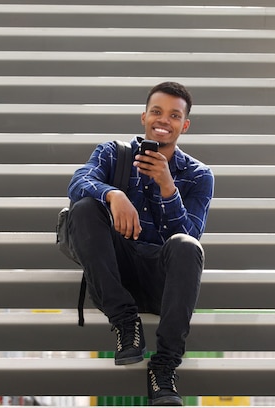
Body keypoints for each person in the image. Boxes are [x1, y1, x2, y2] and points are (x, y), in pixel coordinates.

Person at [66, 82, 214, 406]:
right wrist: (112, 194)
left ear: (184, 125)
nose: (164, 120)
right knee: (85, 207)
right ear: (144, 115)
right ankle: (125, 322)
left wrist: (167, 186)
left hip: (163, 282)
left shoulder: (199, 176)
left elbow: (191, 236)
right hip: (116, 273)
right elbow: (78, 181)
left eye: (174, 115)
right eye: (157, 112)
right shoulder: (112, 153)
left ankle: (164, 366)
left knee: (187, 247)